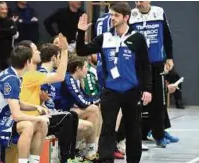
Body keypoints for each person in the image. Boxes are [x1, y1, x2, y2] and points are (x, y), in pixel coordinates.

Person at [76, 2, 152, 163]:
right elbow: (81, 51)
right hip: (110, 90)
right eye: (111, 15)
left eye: (116, 15)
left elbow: (146, 65)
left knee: (133, 130)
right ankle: (105, 160)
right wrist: (81, 32)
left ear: (126, 17)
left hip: (132, 91)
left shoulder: (137, 38)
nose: (112, 18)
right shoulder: (105, 37)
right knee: (108, 128)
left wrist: (147, 89)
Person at [129, 1, 179, 147]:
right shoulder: (131, 15)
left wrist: (169, 57)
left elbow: (167, 36)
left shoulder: (159, 12)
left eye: (141, 0)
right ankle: (136, 136)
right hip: (138, 65)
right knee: (139, 100)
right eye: (136, 0)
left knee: (158, 101)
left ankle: (159, 135)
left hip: (157, 63)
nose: (138, 3)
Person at [0, 45, 49, 163]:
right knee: (28, 126)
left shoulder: (13, 74)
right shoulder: (11, 80)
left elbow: (17, 102)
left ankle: (34, 161)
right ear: (27, 62)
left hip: (3, 118)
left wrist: (36, 107)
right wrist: (40, 117)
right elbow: (17, 115)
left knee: (41, 124)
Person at [53, 55, 101, 162]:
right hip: (60, 114)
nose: (87, 69)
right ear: (78, 68)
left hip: (66, 112)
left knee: (94, 110)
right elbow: (82, 103)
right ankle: (73, 149)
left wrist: (100, 97)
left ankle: (90, 151)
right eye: (85, 67)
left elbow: (85, 97)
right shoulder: (68, 78)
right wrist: (98, 99)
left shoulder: (74, 79)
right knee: (92, 110)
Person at [0, 1, 18, 71]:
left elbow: (14, 31)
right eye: (2, 9)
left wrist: (0, 30)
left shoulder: (10, 21)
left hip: (8, 56)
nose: (4, 11)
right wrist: (8, 31)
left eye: (6, 9)